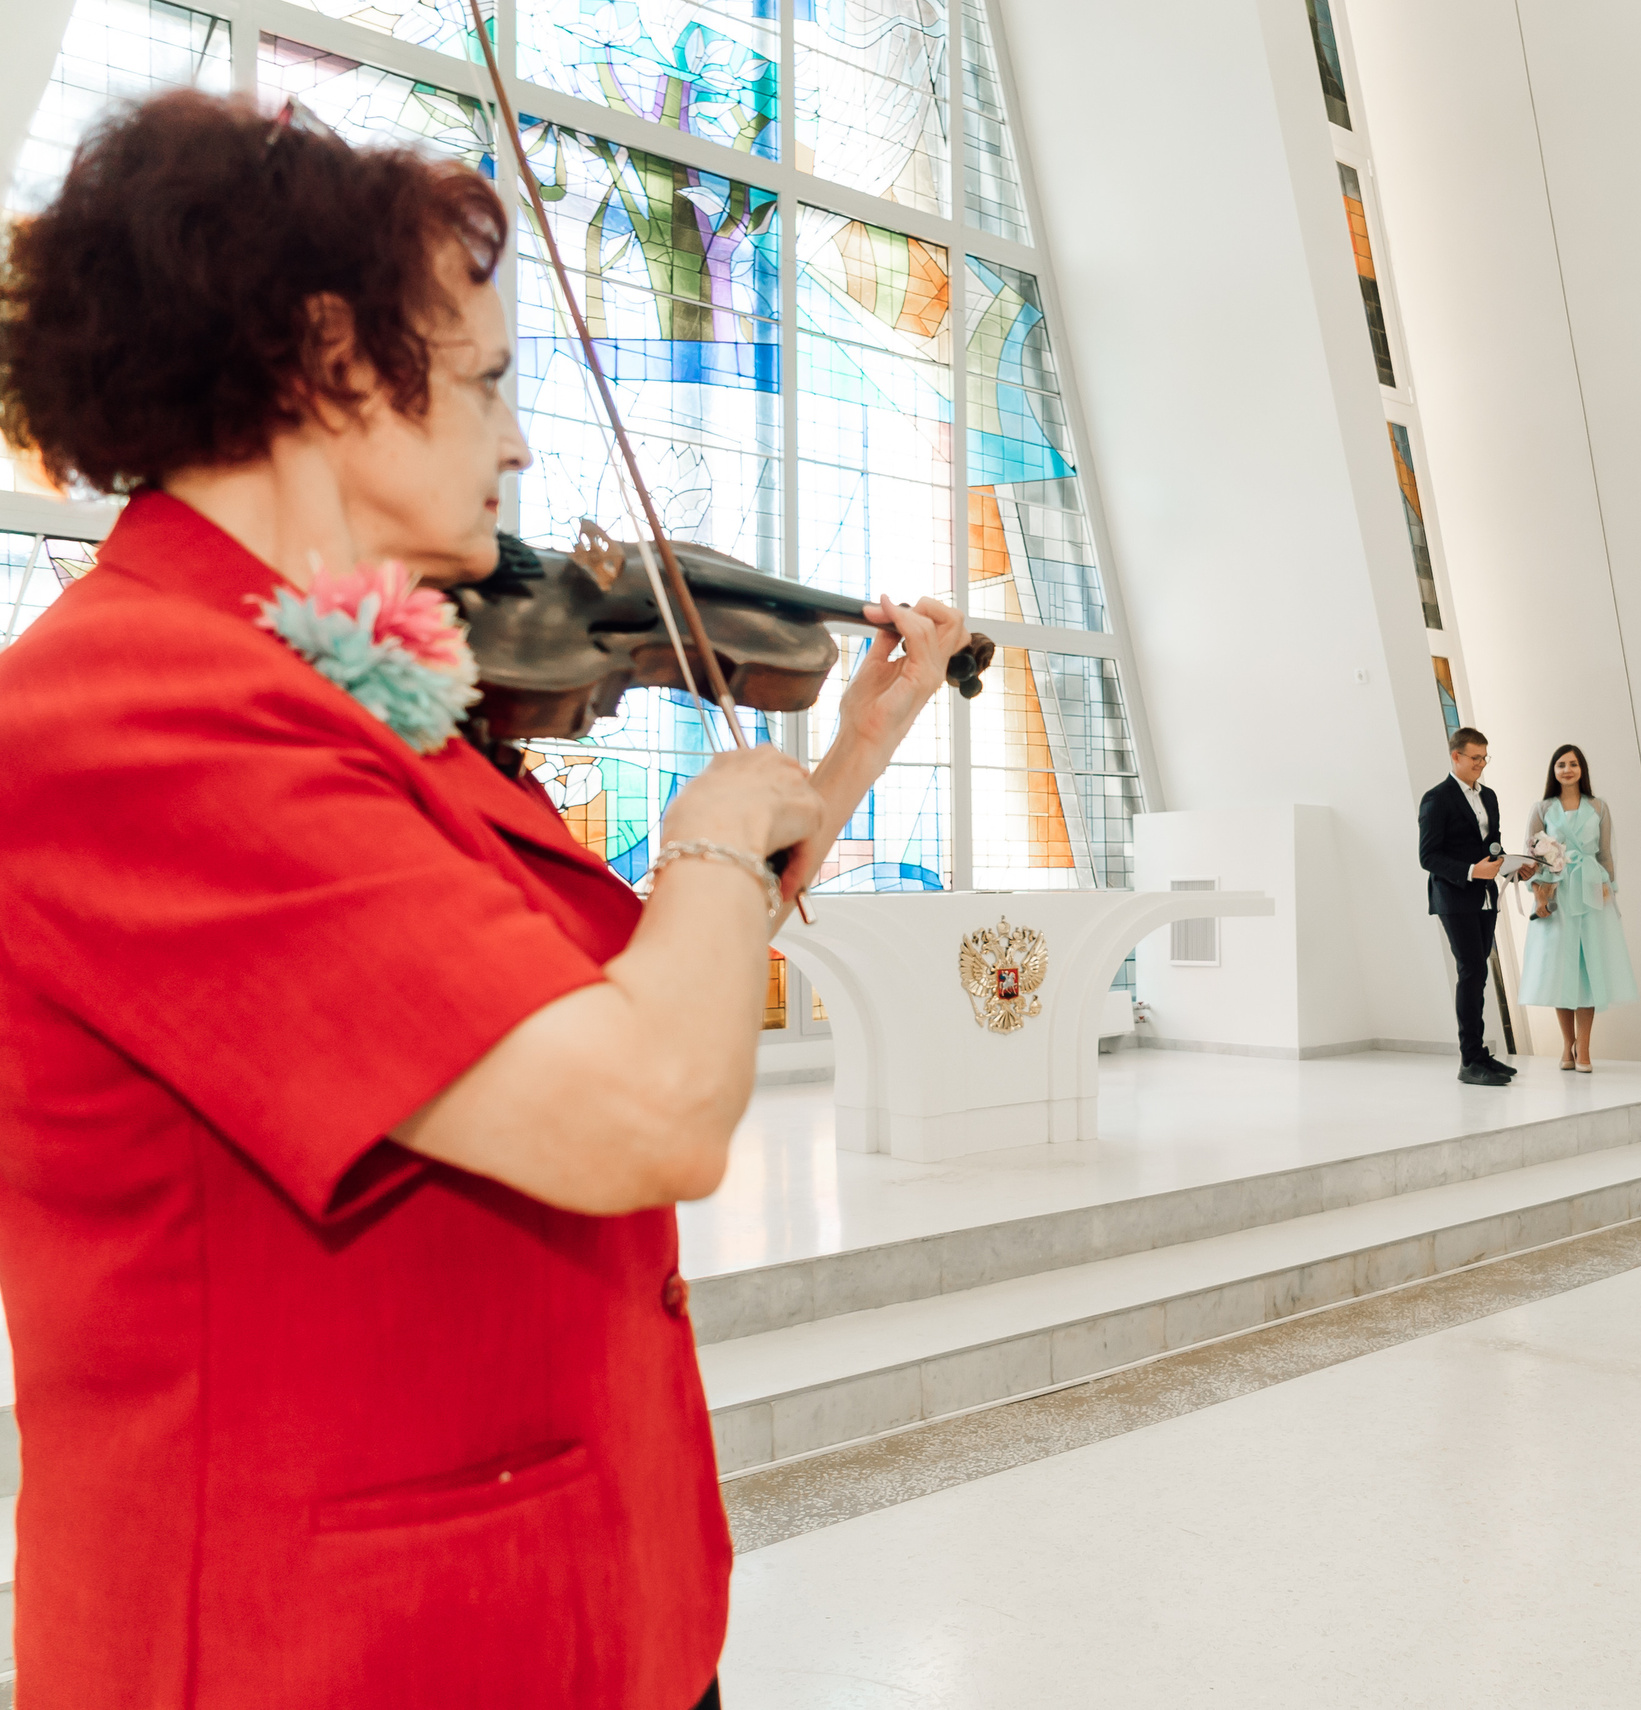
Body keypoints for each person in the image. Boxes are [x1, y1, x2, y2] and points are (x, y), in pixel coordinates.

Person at [0, 92, 965, 1706]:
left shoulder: (345, 686)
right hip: (333, 1645)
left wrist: (849, 752)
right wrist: (719, 840)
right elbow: (639, 1107)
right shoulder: (137, 712)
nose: (519, 442)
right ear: (330, 358)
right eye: (493, 381)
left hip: (557, 1584)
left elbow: (631, 985)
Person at [1519, 744, 1637, 1071]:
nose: (1567, 769)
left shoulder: (1598, 807)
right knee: (1561, 970)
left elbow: (1605, 853)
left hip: (1590, 890)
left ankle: (1583, 1047)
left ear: (1581, 769)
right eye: (1561, 764)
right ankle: (1566, 1044)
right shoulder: (1542, 808)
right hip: (1557, 892)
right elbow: (1531, 858)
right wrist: (1538, 894)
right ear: (1553, 771)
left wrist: (1609, 885)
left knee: (1589, 968)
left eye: (1573, 764)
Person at [1419, 727, 1516, 1086]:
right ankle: (1468, 1060)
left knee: (1480, 974)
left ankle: (1479, 1055)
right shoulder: (1437, 798)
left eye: (1484, 758)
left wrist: (1511, 864)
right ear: (1455, 756)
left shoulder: (1488, 796)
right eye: (1475, 758)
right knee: (1471, 970)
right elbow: (1428, 856)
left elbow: (1493, 843)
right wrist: (1473, 871)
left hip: (1486, 896)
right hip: (1455, 896)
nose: (1481, 764)